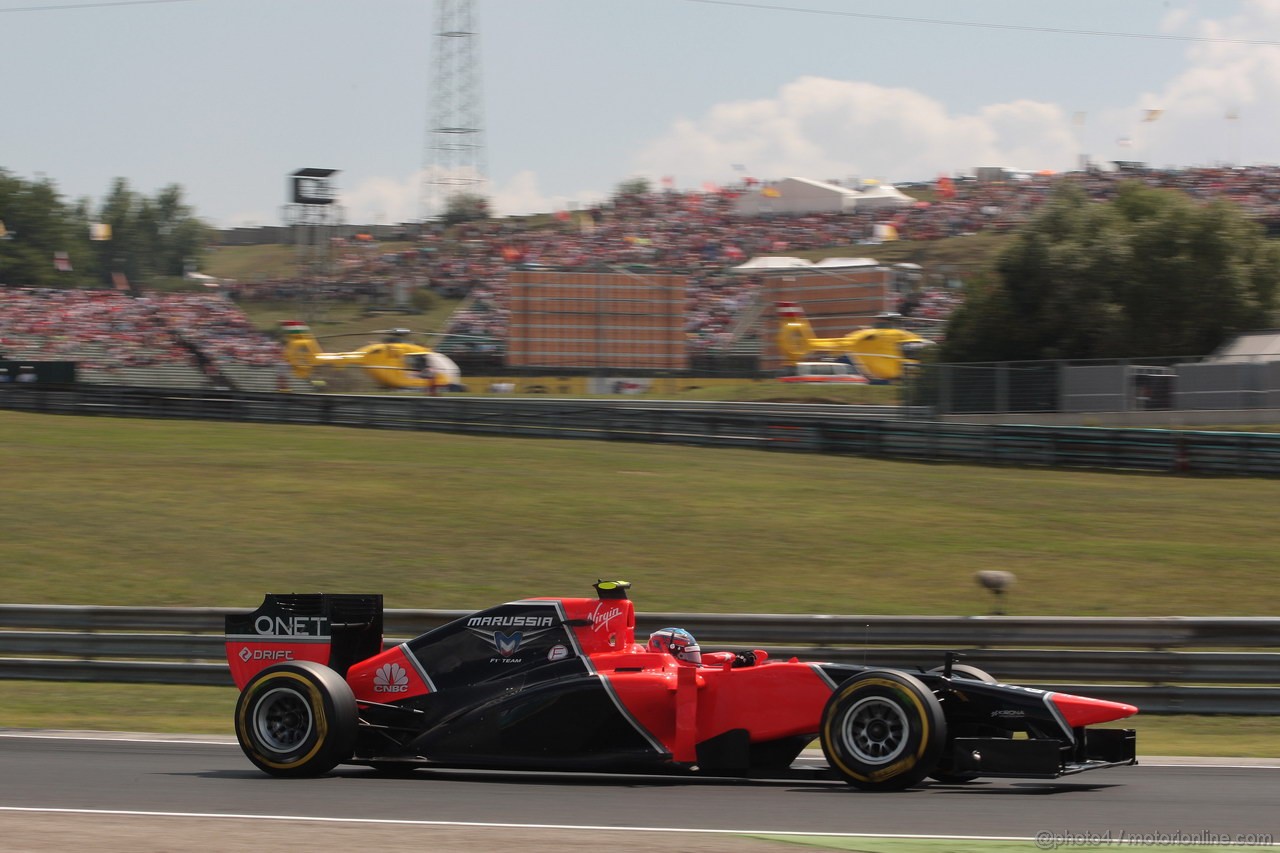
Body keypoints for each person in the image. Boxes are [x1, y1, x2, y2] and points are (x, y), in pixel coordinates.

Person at [648, 627, 765, 668]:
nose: (693, 659)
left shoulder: (695, 668)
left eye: (693, 654)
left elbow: (702, 668)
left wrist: (736, 666)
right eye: (686, 655)